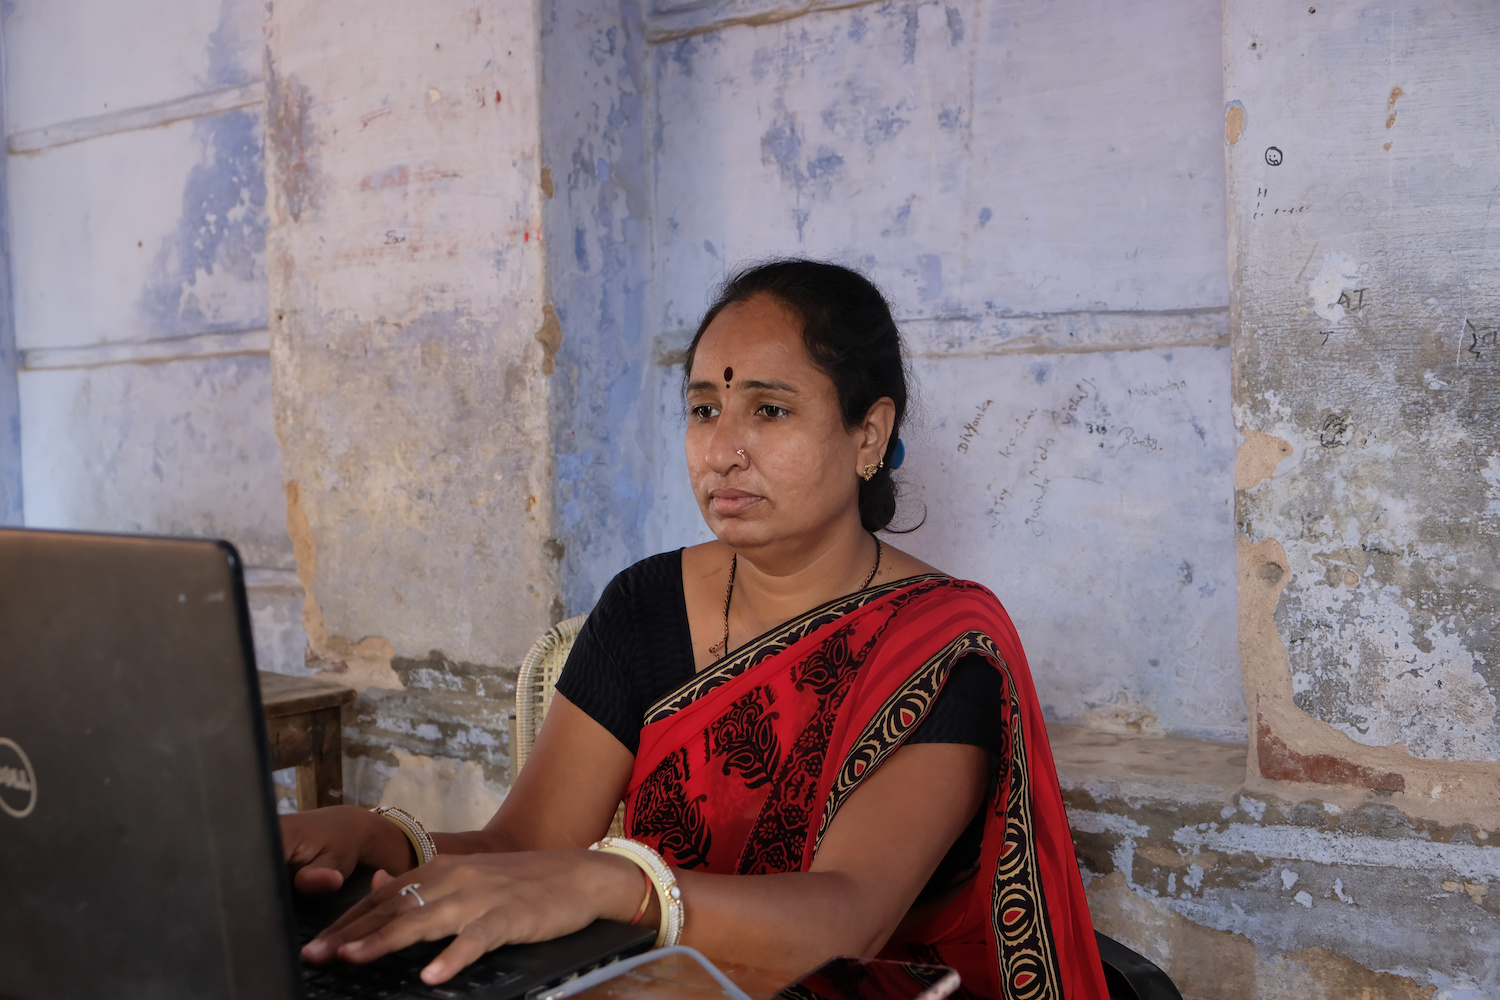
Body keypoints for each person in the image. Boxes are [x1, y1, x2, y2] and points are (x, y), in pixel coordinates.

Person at [283, 259, 1109, 1000]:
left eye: (770, 410)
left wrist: (615, 887)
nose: (722, 451)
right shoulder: (645, 604)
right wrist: (380, 838)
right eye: (704, 409)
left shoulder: (941, 644)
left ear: (870, 434)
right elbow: (526, 843)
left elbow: (849, 916)